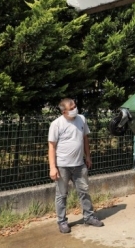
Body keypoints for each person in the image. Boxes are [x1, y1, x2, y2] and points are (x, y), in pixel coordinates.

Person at [48, 98, 104, 233]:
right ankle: (62, 221)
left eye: (75, 106)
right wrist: (53, 167)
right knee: (62, 195)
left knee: (84, 191)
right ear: (64, 111)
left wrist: (88, 156)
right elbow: (51, 146)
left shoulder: (81, 119)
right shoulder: (56, 124)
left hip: (79, 164)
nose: (75, 109)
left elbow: (85, 138)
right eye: (71, 108)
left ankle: (89, 217)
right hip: (63, 166)